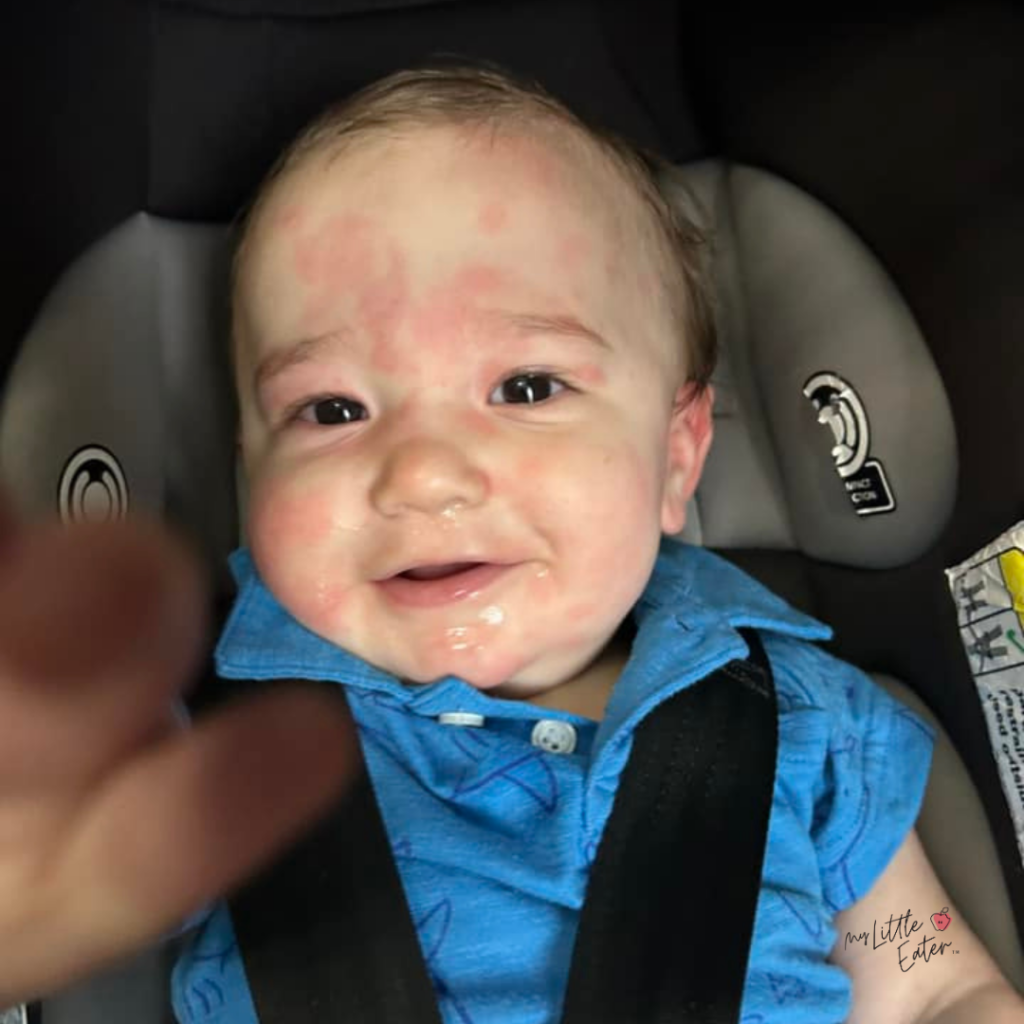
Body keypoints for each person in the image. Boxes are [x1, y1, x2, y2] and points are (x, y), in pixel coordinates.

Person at [2, 61, 1023, 1024]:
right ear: (249, 465)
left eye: (526, 388)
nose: (424, 474)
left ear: (676, 458)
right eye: (331, 408)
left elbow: (932, 991)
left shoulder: (808, 719)